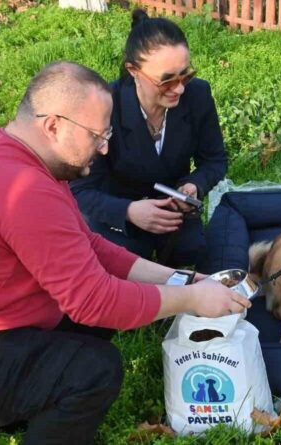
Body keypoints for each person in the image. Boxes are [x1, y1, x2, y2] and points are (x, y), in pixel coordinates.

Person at [0, 62, 249, 444]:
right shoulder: (23, 188)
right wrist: (192, 299)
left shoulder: (21, 158)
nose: (105, 146)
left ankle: (22, 403)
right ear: (54, 125)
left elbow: (88, 246)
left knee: (99, 317)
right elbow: (94, 302)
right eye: (97, 134)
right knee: (94, 370)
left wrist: (182, 280)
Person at [70, 10, 227, 270]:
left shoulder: (197, 95)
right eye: (166, 81)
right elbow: (80, 191)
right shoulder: (106, 106)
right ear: (133, 70)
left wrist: (193, 186)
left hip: (173, 211)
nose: (179, 89)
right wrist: (129, 211)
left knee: (193, 254)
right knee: (124, 267)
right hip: (116, 212)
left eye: (185, 75)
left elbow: (215, 159)